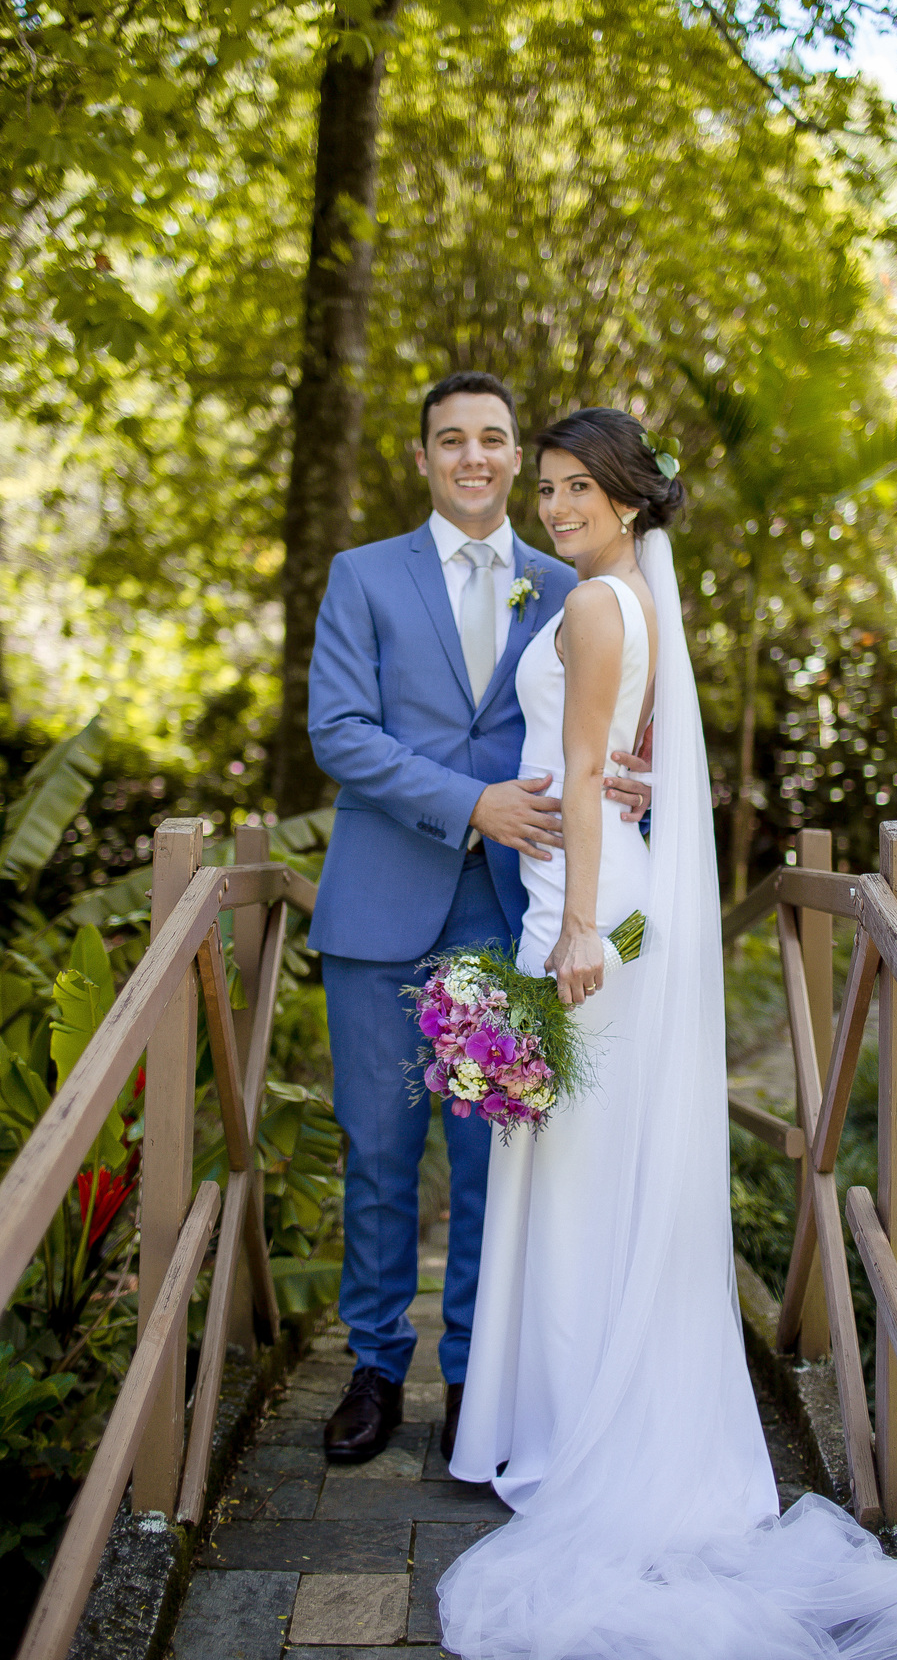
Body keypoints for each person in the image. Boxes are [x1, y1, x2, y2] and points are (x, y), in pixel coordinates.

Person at [440, 409, 897, 1660]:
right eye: (549, 485)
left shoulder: (595, 604)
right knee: (590, 1163)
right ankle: (574, 1414)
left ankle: (573, 1429)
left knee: (576, 1169)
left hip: (585, 912)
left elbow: (585, 772)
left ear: (631, 497)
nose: (556, 503)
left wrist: (577, 927)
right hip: (603, 885)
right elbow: (613, 759)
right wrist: (595, 831)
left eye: (580, 485)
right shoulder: (628, 598)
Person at [307, 373, 650, 1465]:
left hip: (508, 914)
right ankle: (374, 1368)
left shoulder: (569, 582)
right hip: (376, 907)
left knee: (491, 1155)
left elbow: (596, 727)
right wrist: (469, 802)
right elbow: (339, 732)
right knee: (378, 1150)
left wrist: (632, 784)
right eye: (450, 440)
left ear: (515, 460)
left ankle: (472, 1376)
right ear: (422, 459)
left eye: (493, 440)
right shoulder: (360, 578)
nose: (474, 457)